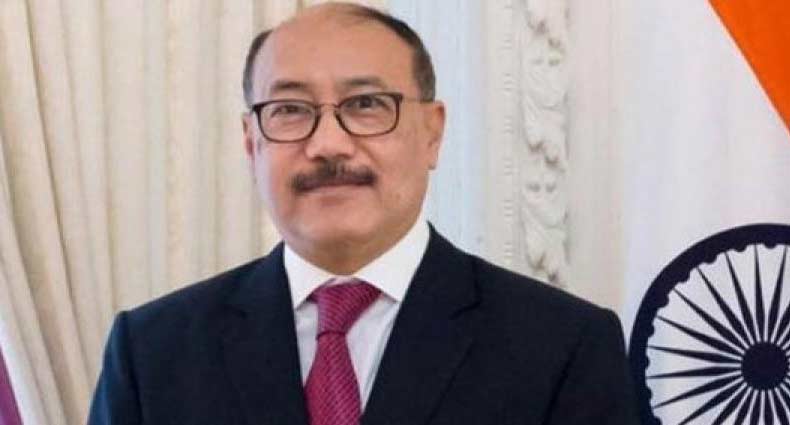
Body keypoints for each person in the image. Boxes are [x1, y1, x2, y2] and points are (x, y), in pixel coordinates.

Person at [89, 2, 639, 424]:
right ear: (252, 143)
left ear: (432, 132)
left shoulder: (561, 346)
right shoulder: (153, 351)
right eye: (289, 110)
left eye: (366, 105)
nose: (328, 144)